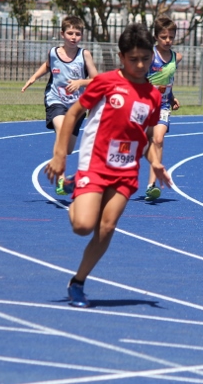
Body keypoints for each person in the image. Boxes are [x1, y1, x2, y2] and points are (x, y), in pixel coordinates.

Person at [44, 23, 172, 308]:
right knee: (82, 226)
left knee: (107, 226)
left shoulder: (152, 96)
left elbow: (146, 137)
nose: (140, 65)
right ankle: (77, 188)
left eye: (146, 58)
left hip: (126, 171)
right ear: (121, 57)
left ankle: (78, 283)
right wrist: (60, 155)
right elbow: (74, 113)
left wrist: (156, 163)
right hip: (96, 164)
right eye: (133, 59)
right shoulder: (105, 82)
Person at [22, 16, 98, 195]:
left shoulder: (84, 55)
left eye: (77, 34)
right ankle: (61, 179)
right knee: (62, 129)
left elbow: (97, 79)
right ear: (62, 34)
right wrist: (34, 77)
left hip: (77, 106)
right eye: (70, 33)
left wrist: (81, 82)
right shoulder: (53, 53)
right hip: (55, 100)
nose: (73, 37)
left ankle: (60, 161)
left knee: (68, 148)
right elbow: (47, 65)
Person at [144, 16, 183, 201]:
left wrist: (172, 96)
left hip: (163, 105)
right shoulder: (149, 56)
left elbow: (168, 80)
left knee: (158, 140)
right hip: (144, 106)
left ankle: (151, 185)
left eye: (171, 37)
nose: (168, 41)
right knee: (141, 145)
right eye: (163, 37)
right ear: (156, 37)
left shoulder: (176, 57)